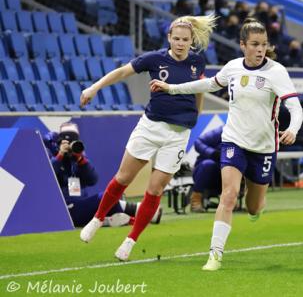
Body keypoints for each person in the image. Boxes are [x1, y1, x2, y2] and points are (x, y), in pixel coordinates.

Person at [150, 18, 303, 271]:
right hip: (234, 140)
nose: (260, 49)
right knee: (229, 195)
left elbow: (295, 108)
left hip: (264, 148)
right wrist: (172, 88)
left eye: (263, 44)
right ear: (243, 45)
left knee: (254, 207)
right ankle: (215, 254)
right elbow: (208, 84)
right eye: (254, 44)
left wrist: (292, 129)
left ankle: (256, 207)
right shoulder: (232, 67)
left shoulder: (276, 72)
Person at [78, 14, 217, 261]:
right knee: (123, 178)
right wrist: (94, 87)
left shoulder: (197, 62)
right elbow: (122, 72)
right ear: (169, 38)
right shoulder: (154, 59)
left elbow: (199, 89)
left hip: (178, 134)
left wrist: (197, 114)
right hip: (150, 127)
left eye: (185, 39)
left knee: (155, 190)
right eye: (176, 39)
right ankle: (98, 218)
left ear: (191, 40)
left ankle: (130, 241)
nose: (180, 43)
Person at [44, 123, 162, 228]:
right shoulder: (51, 156)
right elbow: (47, 177)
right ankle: (145, 211)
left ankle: (107, 221)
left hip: (82, 205)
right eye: (66, 141)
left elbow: (93, 179)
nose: (70, 145)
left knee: (112, 196)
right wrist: (60, 155)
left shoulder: (78, 157)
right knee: (105, 197)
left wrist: (80, 159)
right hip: (65, 209)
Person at [191, 126, 224, 213]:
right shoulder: (222, 130)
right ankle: (196, 199)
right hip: (206, 171)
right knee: (208, 164)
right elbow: (198, 142)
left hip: (228, 173)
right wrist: (213, 153)